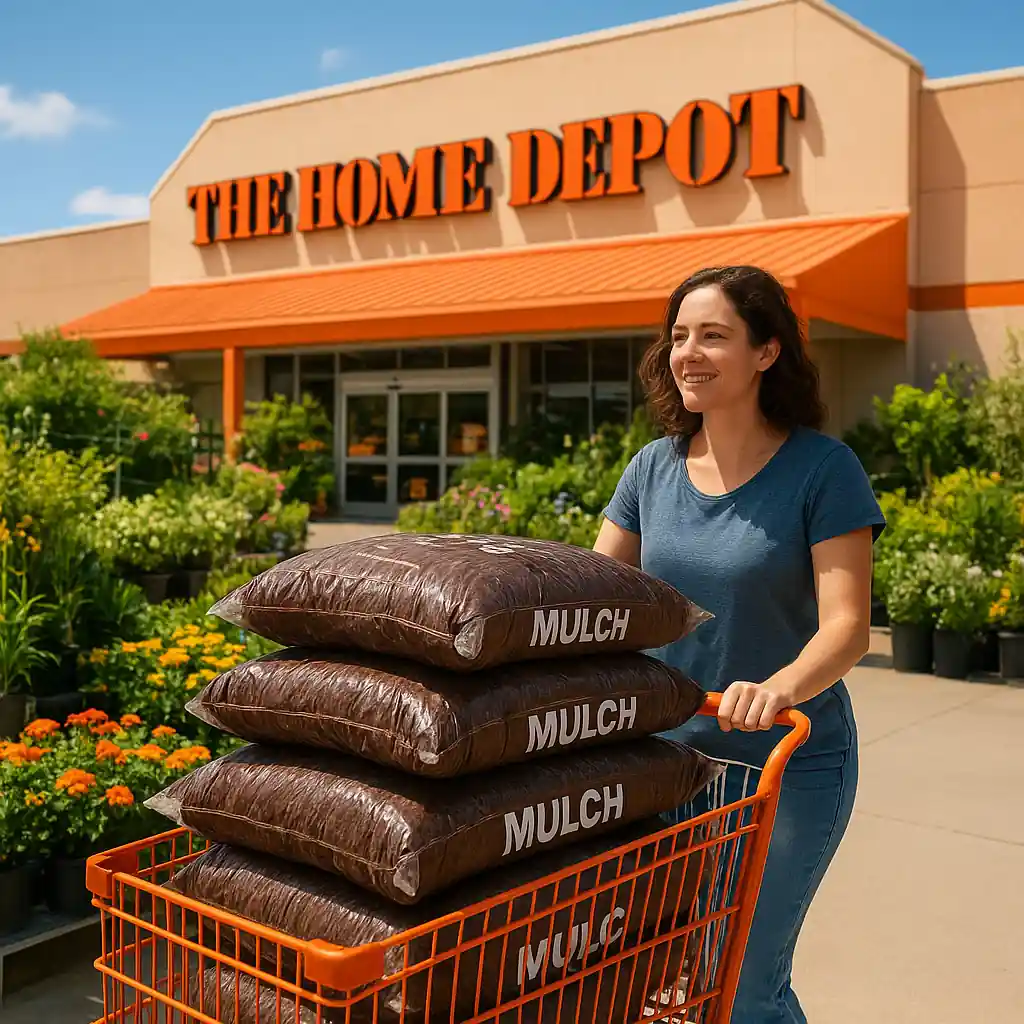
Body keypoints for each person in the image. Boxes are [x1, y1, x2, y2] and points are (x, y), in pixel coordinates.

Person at [594, 265, 885, 1023]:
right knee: (671, 977)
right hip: (667, 765)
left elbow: (847, 624)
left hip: (785, 764)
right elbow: (597, 596)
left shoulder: (823, 470)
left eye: (714, 335)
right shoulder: (652, 467)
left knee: (743, 985)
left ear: (766, 352)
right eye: (680, 335)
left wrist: (781, 685)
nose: (688, 351)